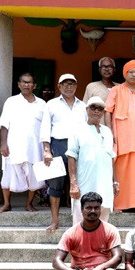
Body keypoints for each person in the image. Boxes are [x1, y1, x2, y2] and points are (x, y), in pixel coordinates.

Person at [105, 60, 135, 212]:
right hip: (121, 138)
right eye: (131, 72)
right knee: (119, 170)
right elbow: (108, 111)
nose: (134, 75)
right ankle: (119, 204)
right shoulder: (115, 90)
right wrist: (109, 131)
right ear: (125, 73)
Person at [40, 74, 87, 232]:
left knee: (79, 183)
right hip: (58, 145)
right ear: (59, 87)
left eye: (71, 84)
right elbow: (45, 127)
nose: (68, 87)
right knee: (55, 185)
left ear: (76, 86)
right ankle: (55, 221)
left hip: (79, 147)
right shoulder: (51, 104)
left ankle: (79, 221)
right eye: (64, 84)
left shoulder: (83, 106)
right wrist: (47, 150)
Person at [0, 73, 46, 212]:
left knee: (33, 176)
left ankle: (29, 203)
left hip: (35, 148)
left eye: (29, 82)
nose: (26, 85)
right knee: (8, 175)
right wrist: (3, 144)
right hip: (14, 146)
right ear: (18, 84)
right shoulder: (11, 101)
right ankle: (7, 203)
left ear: (34, 86)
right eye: (23, 82)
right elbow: (4, 124)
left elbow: (45, 126)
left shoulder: (42, 104)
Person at [66, 96, 118, 224]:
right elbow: (71, 157)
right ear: (87, 109)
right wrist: (73, 184)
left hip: (105, 183)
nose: (96, 111)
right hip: (84, 181)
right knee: (81, 214)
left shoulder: (107, 131)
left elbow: (111, 157)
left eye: (100, 109)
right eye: (93, 108)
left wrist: (115, 182)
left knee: (104, 214)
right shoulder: (77, 130)